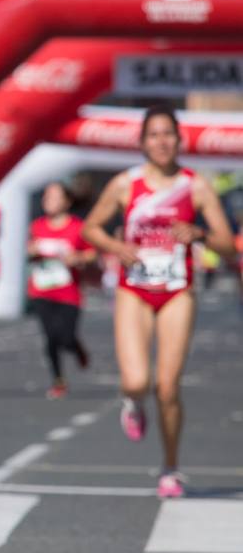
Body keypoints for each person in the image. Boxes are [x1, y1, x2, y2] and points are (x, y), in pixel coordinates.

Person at [82, 105, 235, 499]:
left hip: (177, 290)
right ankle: (132, 402)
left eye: (168, 134)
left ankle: (170, 467)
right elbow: (91, 228)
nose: (162, 141)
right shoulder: (124, 184)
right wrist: (118, 247)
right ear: (142, 141)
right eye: (154, 135)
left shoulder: (195, 186)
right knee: (137, 381)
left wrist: (198, 233)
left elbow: (227, 246)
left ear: (179, 140)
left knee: (167, 386)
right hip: (134, 288)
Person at [26, 181, 94, 399]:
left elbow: (92, 253)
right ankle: (58, 381)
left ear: (67, 201)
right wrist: (32, 251)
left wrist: (78, 258)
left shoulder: (77, 227)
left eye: (55, 197)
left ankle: (76, 347)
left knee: (65, 336)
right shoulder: (36, 226)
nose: (49, 201)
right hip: (41, 290)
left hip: (68, 293)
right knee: (50, 336)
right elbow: (28, 253)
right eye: (46, 197)